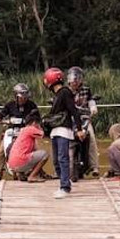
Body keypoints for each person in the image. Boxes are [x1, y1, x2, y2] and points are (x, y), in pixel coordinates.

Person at [43, 68, 84, 199]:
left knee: (63, 158)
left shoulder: (65, 92)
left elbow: (74, 111)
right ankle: (64, 181)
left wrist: (79, 129)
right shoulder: (57, 95)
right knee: (56, 161)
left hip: (63, 130)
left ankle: (65, 187)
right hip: (55, 131)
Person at [0, 83, 39, 180]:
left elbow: (37, 117)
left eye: (25, 97)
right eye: (21, 97)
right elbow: (0, 115)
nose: (23, 99)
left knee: (35, 149)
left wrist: (33, 122)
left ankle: (39, 172)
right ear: (16, 96)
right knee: (1, 151)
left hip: (26, 131)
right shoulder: (9, 105)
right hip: (12, 130)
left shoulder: (31, 105)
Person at [67, 66, 100, 176]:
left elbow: (91, 100)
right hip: (70, 119)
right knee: (62, 139)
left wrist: (93, 107)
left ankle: (94, 166)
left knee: (92, 139)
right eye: (73, 78)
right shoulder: (65, 91)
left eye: (77, 79)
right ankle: (60, 167)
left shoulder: (86, 90)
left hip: (84, 119)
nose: (75, 82)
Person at [7, 111, 48, 183]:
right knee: (45, 154)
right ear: (34, 123)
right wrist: (40, 127)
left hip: (12, 165)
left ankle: (21, 174)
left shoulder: (23, 130)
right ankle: (32, 176)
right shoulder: (30, 128)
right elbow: (44, 134)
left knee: (35, 154)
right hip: (20, 161)